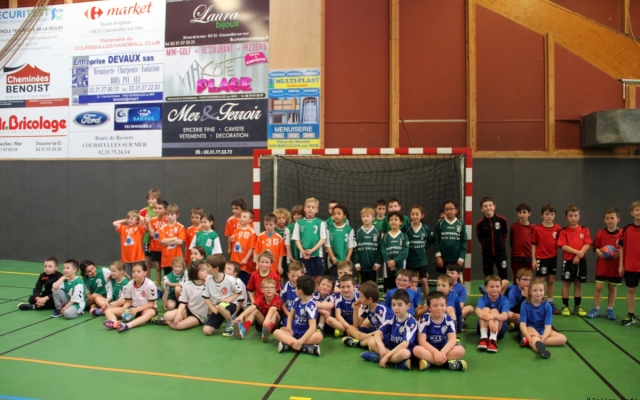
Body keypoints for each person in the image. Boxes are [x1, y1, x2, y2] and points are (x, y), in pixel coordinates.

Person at [361, 289, 416, 370]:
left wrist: (387, 356)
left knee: (405, 353)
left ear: (408, 306)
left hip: (402, 348)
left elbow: (405, 344)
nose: (396, 308)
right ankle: (397, 362)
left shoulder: (411, 322)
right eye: (393, 305)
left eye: (400, 305)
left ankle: (377, 358)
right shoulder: (392, 317)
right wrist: (381, 347)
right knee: (371, 341)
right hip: (390, 345)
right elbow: (378, 333)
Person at [413, 291, 467, 371]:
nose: (439, 308)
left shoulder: (449, 319)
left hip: (443, 348)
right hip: (428, 349)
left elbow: (452, 340)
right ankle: (446, 364)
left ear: (446, 306)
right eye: (435, 306)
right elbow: (422, 341)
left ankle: (430, 362)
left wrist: (442, 352)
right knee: (416, 350)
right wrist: (435, 352)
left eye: (442, 305)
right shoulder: (424, 319)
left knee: (461, 350)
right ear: (429, 307)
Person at [586, 207, 622, 320]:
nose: (610, 220)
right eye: (607, 218)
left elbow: (625, 247)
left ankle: (610, 309)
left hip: (615, 266)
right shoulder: (600, 233)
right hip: (602, 265)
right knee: (598, 287)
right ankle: (596, 309)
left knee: (612, 287)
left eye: (612, 218)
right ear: (604, 220)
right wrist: (598, 252)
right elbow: (595, 246)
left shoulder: (622, 233)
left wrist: (620, 253)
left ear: (618, 219)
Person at [274, 275, 323, 356]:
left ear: (300, 291)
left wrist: (300, 341)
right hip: (294, 331)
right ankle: (304, 347)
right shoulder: (297, 300)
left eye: (296, 288)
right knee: (276, 332)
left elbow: (312, 328)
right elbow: (291, 315)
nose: (295, 290)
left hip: (306, 334)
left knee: (318, 336)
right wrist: (289, 327)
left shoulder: (311, 306)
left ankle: (290, 345)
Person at [520, 278, 567, 358]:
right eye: (535, 290)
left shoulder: (547, 306)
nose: (538, 293)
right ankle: (541, 350)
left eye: (541, 290)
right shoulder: (525, 304)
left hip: (542, 329)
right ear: (530, 292)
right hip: (530, 328)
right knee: (534, 337)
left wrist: (544, 337)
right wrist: (526, 334)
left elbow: (548, 326)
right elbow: (523, 324)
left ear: (544, 291)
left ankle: (531, 342)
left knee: (563, 339)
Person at [103, 262, 157, 332]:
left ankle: (127, 325)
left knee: (151, 312)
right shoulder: (130, 284)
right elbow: (128, 301)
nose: (135, 273)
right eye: (133, 272)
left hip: (145, 308)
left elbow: (151, 304)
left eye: (138, 271)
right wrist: (124, 307)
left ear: (145, 273)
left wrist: (137, 309)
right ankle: (114, 323)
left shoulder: (150, 285)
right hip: (132, 308)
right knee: (108, 310)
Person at [558, 205, 592, 317]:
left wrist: (579, 255)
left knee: (578, 283)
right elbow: (563, 246)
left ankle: (577, 306)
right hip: (568, 261)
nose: (573, 218)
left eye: (575, 215)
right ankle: (565, 306)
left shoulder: (584, 229)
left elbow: (587, 244)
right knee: (566, 283)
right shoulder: (563, 231)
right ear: (566, 217)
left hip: (581, 261)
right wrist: (577, 253)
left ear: (579, 216)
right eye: (571, 216)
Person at [152, 263, 208, 330]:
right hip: (187, 310)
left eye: (206, 269)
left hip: (198, 316)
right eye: (203, 270)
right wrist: (179, 313)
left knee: (179, 325)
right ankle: (168, 320)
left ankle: (167, 322)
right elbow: (183, 302)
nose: (206, 272)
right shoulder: (187, 285)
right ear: (195, 272)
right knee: (166, 316)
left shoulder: (208, 283)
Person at [531, 204, 562, 314]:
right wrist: (534, 260)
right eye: (547, 214)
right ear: (542, 215)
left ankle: (550, 302)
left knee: (551, 280)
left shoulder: (558, 228)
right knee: (541, 281)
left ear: (555, 215)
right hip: (541, 258)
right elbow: (534, 244)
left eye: (552, 214)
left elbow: (560, 242)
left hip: (553, 258)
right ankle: (539, 302)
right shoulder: (537, 229)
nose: (549, 216)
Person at [342, 281, 393, 349]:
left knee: (376, 337)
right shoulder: (367, 307)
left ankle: (359, 343)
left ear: (370, 299)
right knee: (350, 328)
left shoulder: (380, 310)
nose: (359, 299)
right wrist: (355, 310)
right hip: (373, 332)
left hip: (385, 335)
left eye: (361, 297)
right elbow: (356, 325)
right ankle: (365, 340)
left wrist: (365, 336)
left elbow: (384, 331)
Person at [202, 254, 242, 337]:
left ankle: (230, 323)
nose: (206, 268)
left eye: (208, 266)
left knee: (219, 307)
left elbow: (239, 292)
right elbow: (206, 298)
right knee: (207, 331)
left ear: (216, 269)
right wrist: (213, 309)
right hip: (217, 307)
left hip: (231, 305)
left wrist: (228, 299)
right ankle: (224, 319)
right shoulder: (208, 279)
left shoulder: (230, 279)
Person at [292, 197, 327, 290]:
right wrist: (303, 252)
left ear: (317, 210)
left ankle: (316, 295)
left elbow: (323, 239)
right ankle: (306, 296)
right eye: (308, 207)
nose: (310, 209)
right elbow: (296, 239)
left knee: (317, 278)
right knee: (305, 278)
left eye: (313, 207)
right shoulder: (299, 223)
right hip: (304, 255)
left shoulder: (320, 222)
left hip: (317, 254)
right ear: (304, 208)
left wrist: (312, 250)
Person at [233, 277, 282, 342]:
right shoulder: (260, 298)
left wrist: (267, 318)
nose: (269, 289)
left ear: (275, 290)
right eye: (266, 287)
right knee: (255, 310)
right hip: (264, 323)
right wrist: (241, 316)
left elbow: (272, 309)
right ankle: (243, 330)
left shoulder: (277, 299)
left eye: (272, 287)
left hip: (275, 324)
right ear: (262, 290)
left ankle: (267, 331)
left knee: (274, 312)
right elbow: (252, 307)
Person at [476, 197, 509, 280]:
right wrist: (486, 245)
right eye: (485, 206)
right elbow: (480, 237)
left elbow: (505, 234)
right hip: (487, 254)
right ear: (482, 209)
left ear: (494, 207)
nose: (488, 208)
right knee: (488, 275)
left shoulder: (502, 220)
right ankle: (488, 288)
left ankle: (502, 288)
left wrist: (500, 242)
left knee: (503, 274)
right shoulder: (480, 224)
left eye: (490, 205)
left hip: (500, 253)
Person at [619, 200, 640, 326]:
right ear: (632, 213)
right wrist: (621, 265)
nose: (639, 212)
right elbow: (621, 247)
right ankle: (630, 315)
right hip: (631, 266)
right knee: (631, 290)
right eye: (637, 210)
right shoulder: (626, 229)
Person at [406, 205, 433, 302]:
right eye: (412, 214)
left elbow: (430, 240)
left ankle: (427, 302)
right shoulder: (407, 228)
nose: (415, 216)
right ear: (410, 216)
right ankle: (412, 301)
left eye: (417, 214)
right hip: (410, 260)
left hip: (422, 260)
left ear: (422, 216)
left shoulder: (425, 228)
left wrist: (425, 247)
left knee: (424, 280)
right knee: (412, 282)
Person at [475, 275, 509, 353]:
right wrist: (490, 320)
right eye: (491, 286)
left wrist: (492, 316)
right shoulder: (483, 299)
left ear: (501, 287)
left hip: (498, 329)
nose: (495, 289)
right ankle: (483, 338)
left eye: (497, 286)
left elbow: (505, 316)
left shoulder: (504, 300)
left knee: (494, 311)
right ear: (485, 288)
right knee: (485, 309)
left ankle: (493, 339)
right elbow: (477, 311)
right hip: (484, 327)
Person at [434, 200, 467, 276]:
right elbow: (436, 241)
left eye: (451, 209)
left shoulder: (461, 224)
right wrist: (438, 256)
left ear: (456, 210)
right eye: (447, 209)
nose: (449, 211)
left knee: (456, 279)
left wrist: (461, 258)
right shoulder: (439, 224)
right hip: (443, 259)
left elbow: (464, 242)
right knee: (443, 279)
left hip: (456, 259)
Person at [380, 211, 409, 292]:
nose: (393, 221)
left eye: (396, 220)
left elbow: (405, 251)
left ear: (401, 222)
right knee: (388, 287)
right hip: (388, 265)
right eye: (391, 220)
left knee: (400, 286)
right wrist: (389, 262)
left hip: (400, 265)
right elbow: (383, 250)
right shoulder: (386, 236)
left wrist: (395, 261)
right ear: (388, 222)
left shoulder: (404, 236)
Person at [113, 210, 147, 277]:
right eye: (128, 218)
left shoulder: (139, 228)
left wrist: (137, 215)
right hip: (126, 258)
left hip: (137, 257)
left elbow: (142, 219)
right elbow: (114, 223)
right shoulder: (123, 228)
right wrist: (126, 220)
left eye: (131, 218)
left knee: (138, 276)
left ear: (137, 220)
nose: (129, 220)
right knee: (128, 276)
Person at [326, 204, 356, 278]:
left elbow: (351, 246)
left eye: (339, 214)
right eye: (334, 214)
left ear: (344, 215)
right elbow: (327, 245)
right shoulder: (329, 229)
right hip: (332, 262)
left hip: (345, 262)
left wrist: (347, 259)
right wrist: (333, 258)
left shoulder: (349, 229)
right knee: (334, 281)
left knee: (346, 280)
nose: (336, 216)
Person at [353, 207, 382, 284]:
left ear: (373, 217)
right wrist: (356, 262)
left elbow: (380, 248)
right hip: (361, 267)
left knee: (372, 286)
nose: (365, 218)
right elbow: (354, 249)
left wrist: (377, 262)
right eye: (363, 216)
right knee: (361, 287)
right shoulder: (357, 232)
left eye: (368, 216)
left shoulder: (377, 231)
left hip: (373, 266)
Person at [229, 209, 257, 285]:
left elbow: (252, 247)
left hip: (244, 262)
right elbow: (235, 243)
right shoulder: (236, 230)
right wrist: (231, 240)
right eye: (241, 216)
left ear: (250, 220)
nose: (241, 218)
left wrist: (246, 259)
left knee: (243, 282)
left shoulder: (252, 232)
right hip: (235, 260)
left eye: (244, 217)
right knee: (233, 280)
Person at [158, 204, 186, 277]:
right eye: (168, 214)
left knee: (178, 278)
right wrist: (174, 238)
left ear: (177, 215)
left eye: (172, 214)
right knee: (167, 278)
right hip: (166, 258)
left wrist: (166, 242)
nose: (169, 216)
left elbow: (180, 242)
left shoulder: (180, 227)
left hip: (177, 258)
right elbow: (162, 241)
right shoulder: (162, 228)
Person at [510, 203, 535, 283]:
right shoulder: (514, 227)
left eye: (524, 212)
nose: (522, 215)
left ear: (529, 213)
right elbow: (511, 241)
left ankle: (526, 291)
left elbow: (535, 243)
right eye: (520, 212)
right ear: (517, 214)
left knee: (527, 279)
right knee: (516, 278)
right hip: (516, 256)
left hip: (528, 257)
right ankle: (515, 291)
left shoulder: (533, 228)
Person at [147, 200, 168, 287]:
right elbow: (152, 234)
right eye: (156, 208)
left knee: (166, 268)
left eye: (160, 208)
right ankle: (158, 287)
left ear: (165, 210)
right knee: (158, 268)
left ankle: (166, 287)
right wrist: (148, 223)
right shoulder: (152, 220)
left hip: (165, 248)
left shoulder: (168, 220)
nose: (157, 210)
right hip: (155, 247)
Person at [142, 189, 160, 279]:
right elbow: (140, 222)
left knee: (158, 264)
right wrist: (144, 226)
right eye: (148, 199)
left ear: (157, 199)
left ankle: (159, 284)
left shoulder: (160, 210)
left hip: (159, 240)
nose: (150, 201)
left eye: (153, 198)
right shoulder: (144, 210)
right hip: (148, 239)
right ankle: (147, 281)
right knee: (148, 263)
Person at [280, 261, 305, 326]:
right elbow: (283, 304)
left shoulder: (305, 287)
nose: (295, 278)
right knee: (285, 329)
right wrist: (289, 315)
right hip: (288, 315)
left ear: (303, 274)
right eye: (293, 276)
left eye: (298, 276)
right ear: (288, 275)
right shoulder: (285, 287)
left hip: (301, 317)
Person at [284, 205, 304, 281]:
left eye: (298, 214)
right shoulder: (289, 228)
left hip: (302, 255)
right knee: (293, 276)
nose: (296, 216)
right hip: (292, 254)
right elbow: (287, 244)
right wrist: (291, 257)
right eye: (294, 214)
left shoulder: (305, 226)